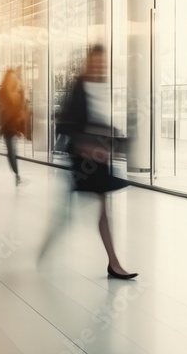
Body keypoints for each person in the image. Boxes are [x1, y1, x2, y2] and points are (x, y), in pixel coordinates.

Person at [58, 45, 136, 279]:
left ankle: (114, 262)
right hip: (84, 157)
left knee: (102, 209)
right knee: (68, 213)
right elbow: (65, 124)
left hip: (99, 155)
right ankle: (113, 262)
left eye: (103, 63)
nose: (100, 66)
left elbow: (101, 119)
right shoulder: (79, 86)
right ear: (88, 62)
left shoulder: (103, 86)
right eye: (96, 62)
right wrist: (86, 145)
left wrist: (114, 138)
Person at [0, 68, 29, 185]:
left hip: (15, 124)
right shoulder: (2, 92)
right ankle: (17, 174)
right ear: (6, 79)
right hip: (7, 125)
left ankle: (16, 174)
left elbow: (22, 108)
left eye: (14, 77)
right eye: (10, 77)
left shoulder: (19, 91)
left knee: (12, 150)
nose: (13, 79)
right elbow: (0, 107)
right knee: (11, 150)